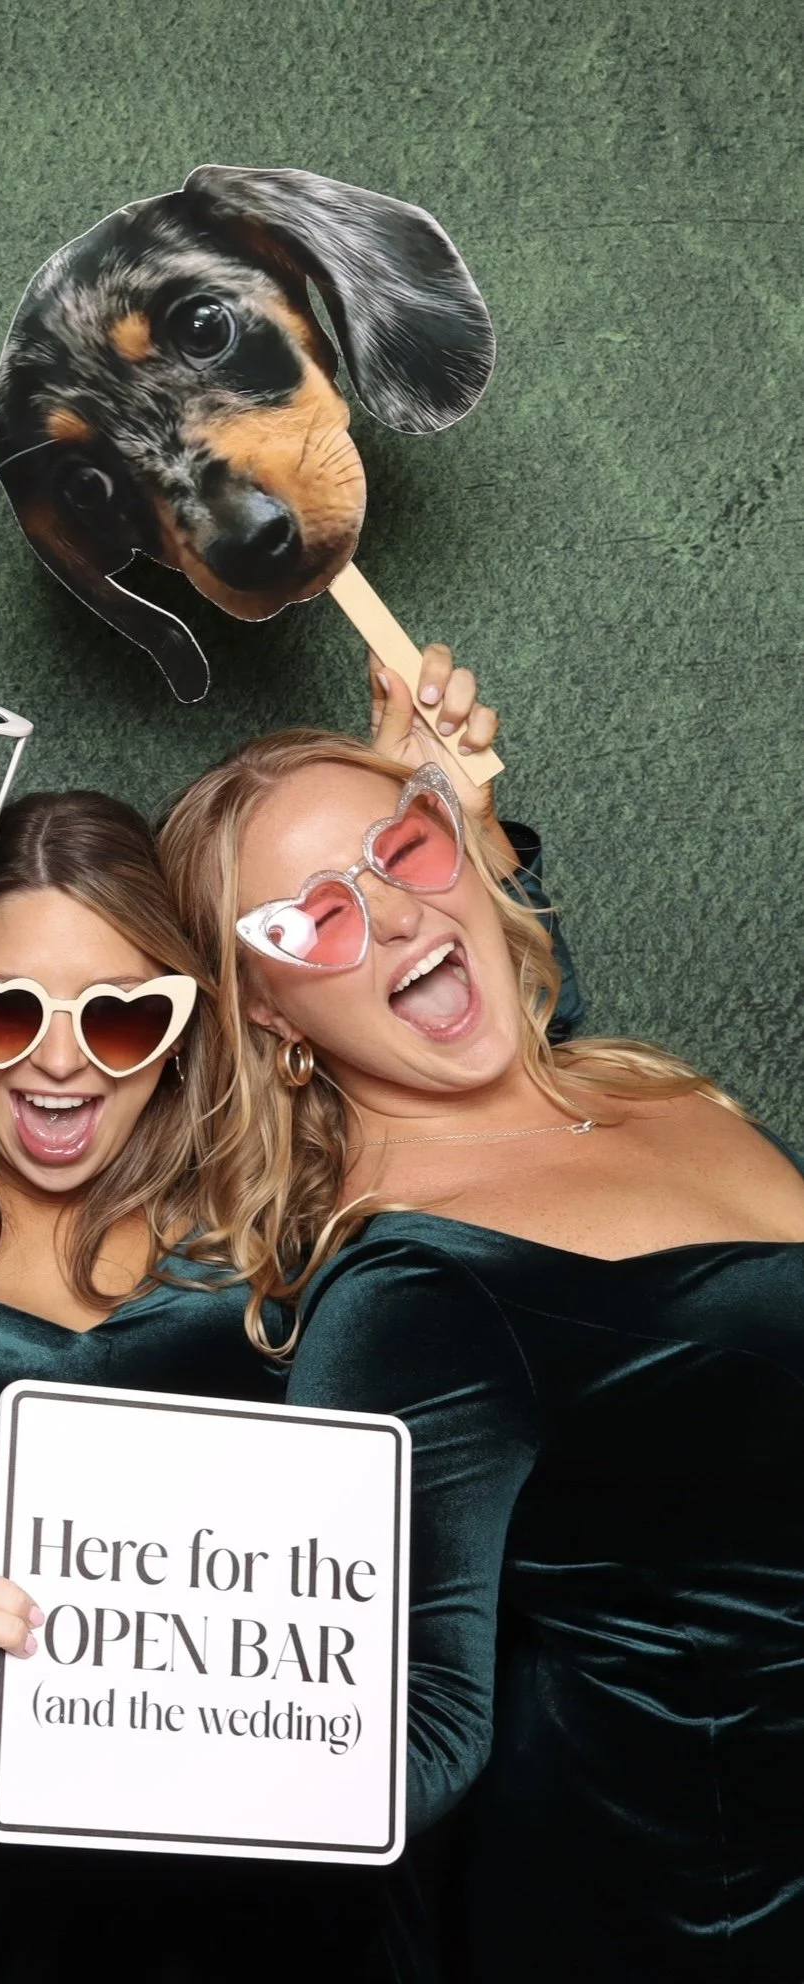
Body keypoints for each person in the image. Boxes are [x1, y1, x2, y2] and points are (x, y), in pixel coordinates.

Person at [0, 654, 570, 1980]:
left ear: (193, 1025)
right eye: (5, 1008)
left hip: (310, 1914)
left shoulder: (284, 1226)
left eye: (122, 1019)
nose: (60, 1058)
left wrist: (443, 825)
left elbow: (505, 1091)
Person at [151, 709, 804, 1981]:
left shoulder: (647, 1089)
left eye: (401, 848)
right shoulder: (409, 1294)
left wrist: (452, 802)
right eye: (316, 918)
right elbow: (393, 1747)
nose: (391, 915)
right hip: (700, 1910)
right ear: (270, 1015)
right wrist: (63, 1726)